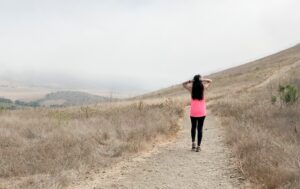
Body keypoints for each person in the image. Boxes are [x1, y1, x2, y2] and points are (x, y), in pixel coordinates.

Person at [182, 75, 212, 152]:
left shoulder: (191, 88)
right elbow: (210, 81)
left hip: (193, 111)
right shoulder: (203, 87)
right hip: (202, 111)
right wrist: (201, 80)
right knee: (200, 128)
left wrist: (191, 81)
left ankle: (193, 143)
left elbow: (183, 84)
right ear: (200, 80)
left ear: (194, 80)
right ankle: (198, 146)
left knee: (193, 127)